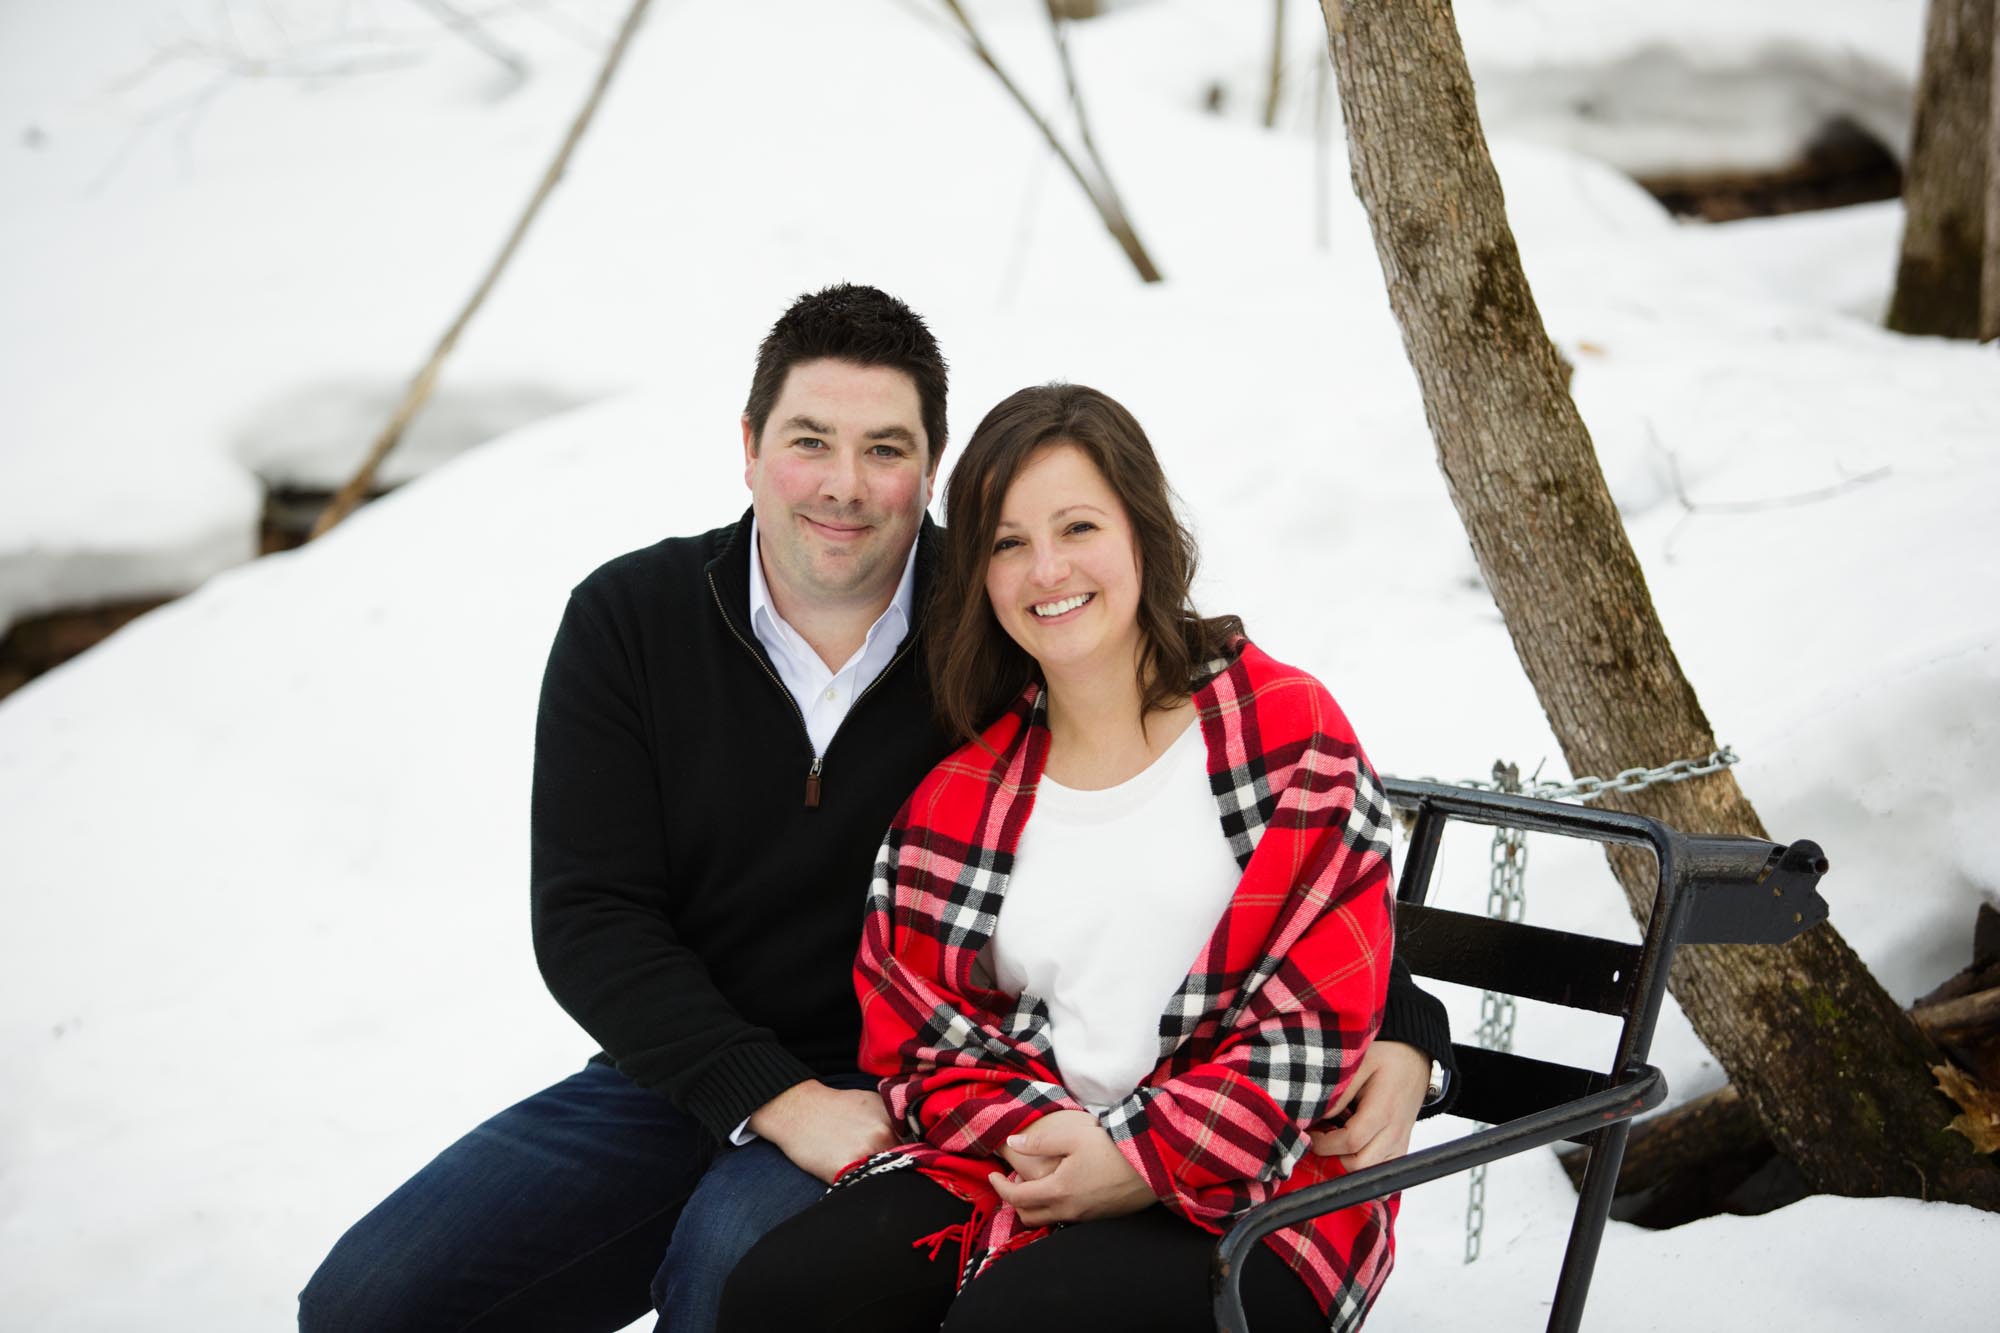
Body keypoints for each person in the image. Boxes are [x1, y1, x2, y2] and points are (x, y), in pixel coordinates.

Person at [299, 286, 1451, 1333]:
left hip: (901, 1094)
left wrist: (1403, 1027)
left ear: (928, 470)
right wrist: (772, 1097)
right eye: (809, 441)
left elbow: (1249, 833)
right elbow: (590, 917)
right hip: (681, 1071)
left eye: (884, 450)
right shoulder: (631, 621)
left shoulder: (1008, 618)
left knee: (731, 1287)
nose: (843, 485)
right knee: (367, 1304)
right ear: (750, 450)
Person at [721, 383, 1401, 1333]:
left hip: (1261, 1184)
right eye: (1007, 543)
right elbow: (920, 1028)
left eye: (1078, 526)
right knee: (774, 1299)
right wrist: (1042, 1138)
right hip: (1027, 1158)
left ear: (1142, 534)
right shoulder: (971, 786)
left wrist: (1136, 1155)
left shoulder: (1281, 730)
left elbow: (1322, 1016)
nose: (1047, 569)